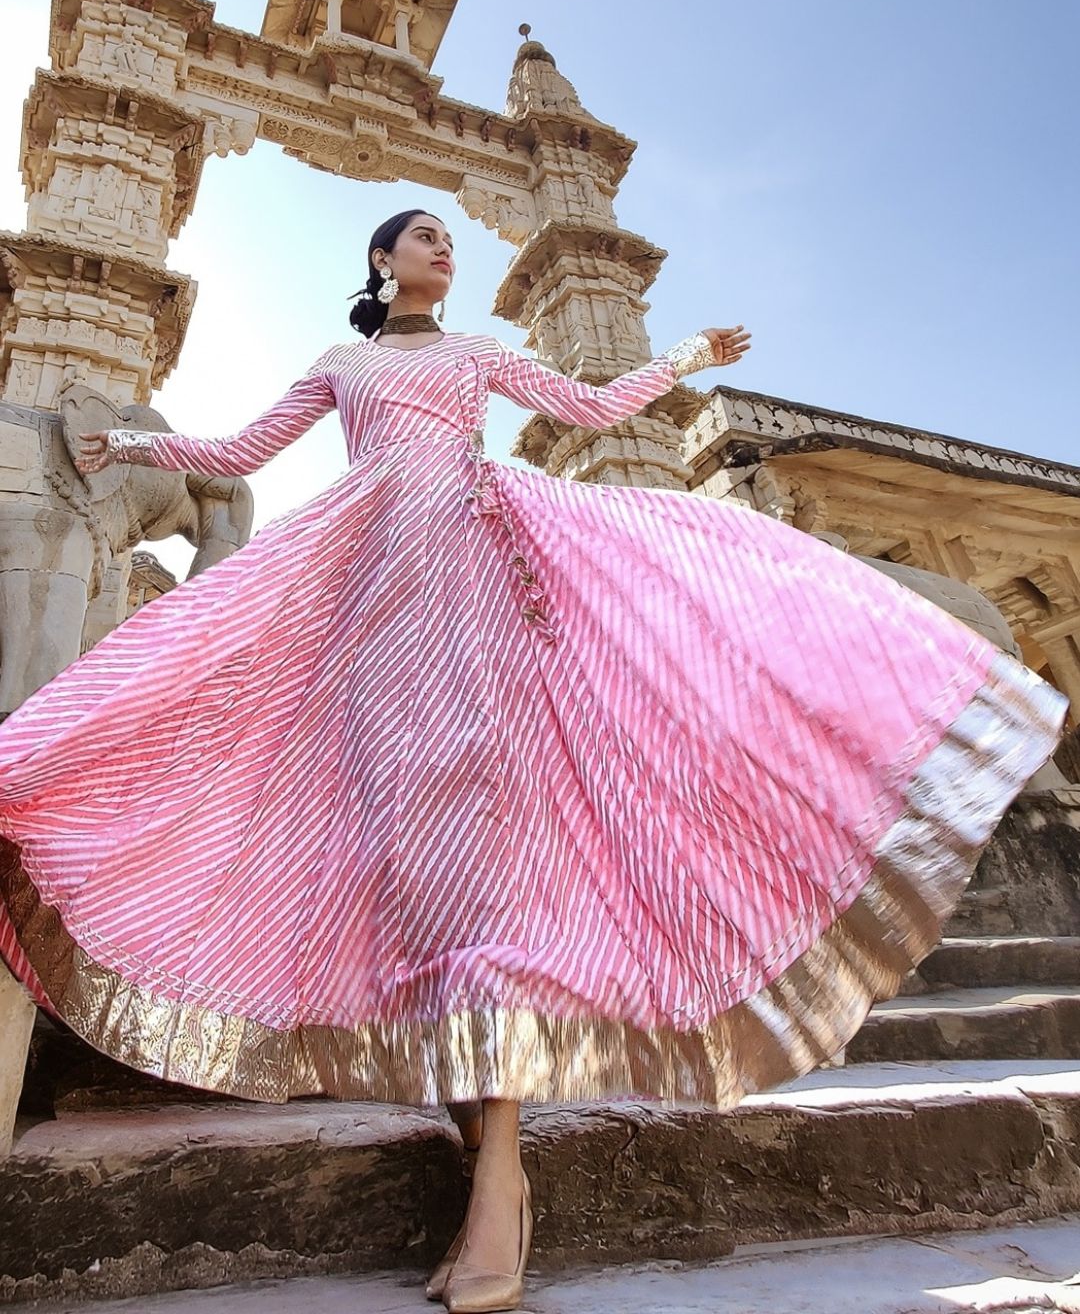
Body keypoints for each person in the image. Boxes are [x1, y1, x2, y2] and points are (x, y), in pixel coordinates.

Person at [0, 208, 1066, 1313]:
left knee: (475, 870)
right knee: (408, 878)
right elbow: (239, 453)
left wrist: (686, 356)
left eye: (448, 237)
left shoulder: (473, 355)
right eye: (422, 235)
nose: (443, 247)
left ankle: (501, 1175)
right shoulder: (341, 366)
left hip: (476, 596)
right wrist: (130, 447)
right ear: (381, 261)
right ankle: (477, 1136)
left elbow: (590, 409)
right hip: (369, 611)